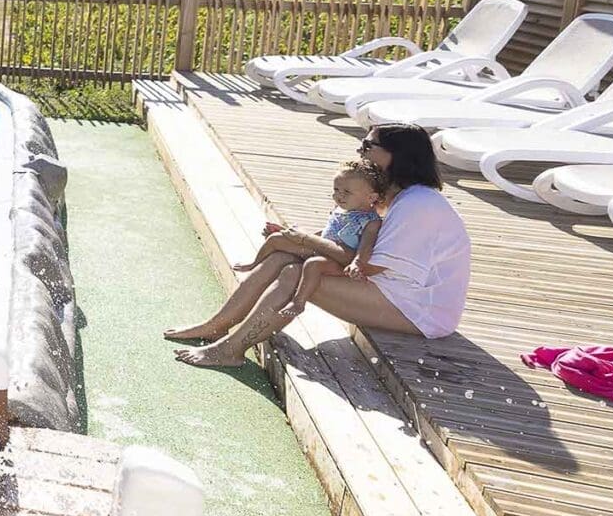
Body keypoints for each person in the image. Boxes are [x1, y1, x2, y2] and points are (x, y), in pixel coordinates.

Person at [170, 125, 472, 367]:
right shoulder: (393, 198)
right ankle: (217, 326)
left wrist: (302, 240)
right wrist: (292, 241)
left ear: (397, 156)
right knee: (282, 259)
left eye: (368, 146)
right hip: (396, 292)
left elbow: (365, 264)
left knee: (293, 274)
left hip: (420, 310)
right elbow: (343, 244)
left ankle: (231, 350)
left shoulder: (418, 204)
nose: (360, 151)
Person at [206, 161, 382, 286]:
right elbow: (328, 232)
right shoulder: (341, 209)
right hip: (320, 248)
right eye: (336, 190)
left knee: (313, 264)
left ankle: (299, 301)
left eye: (346, 192)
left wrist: (357, 264)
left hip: (338, 261)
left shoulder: (370, 222)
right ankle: (254, 264)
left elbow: (365, 247)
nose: (339, 195)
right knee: (276, 239)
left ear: (371, 197)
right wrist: (292, 235)